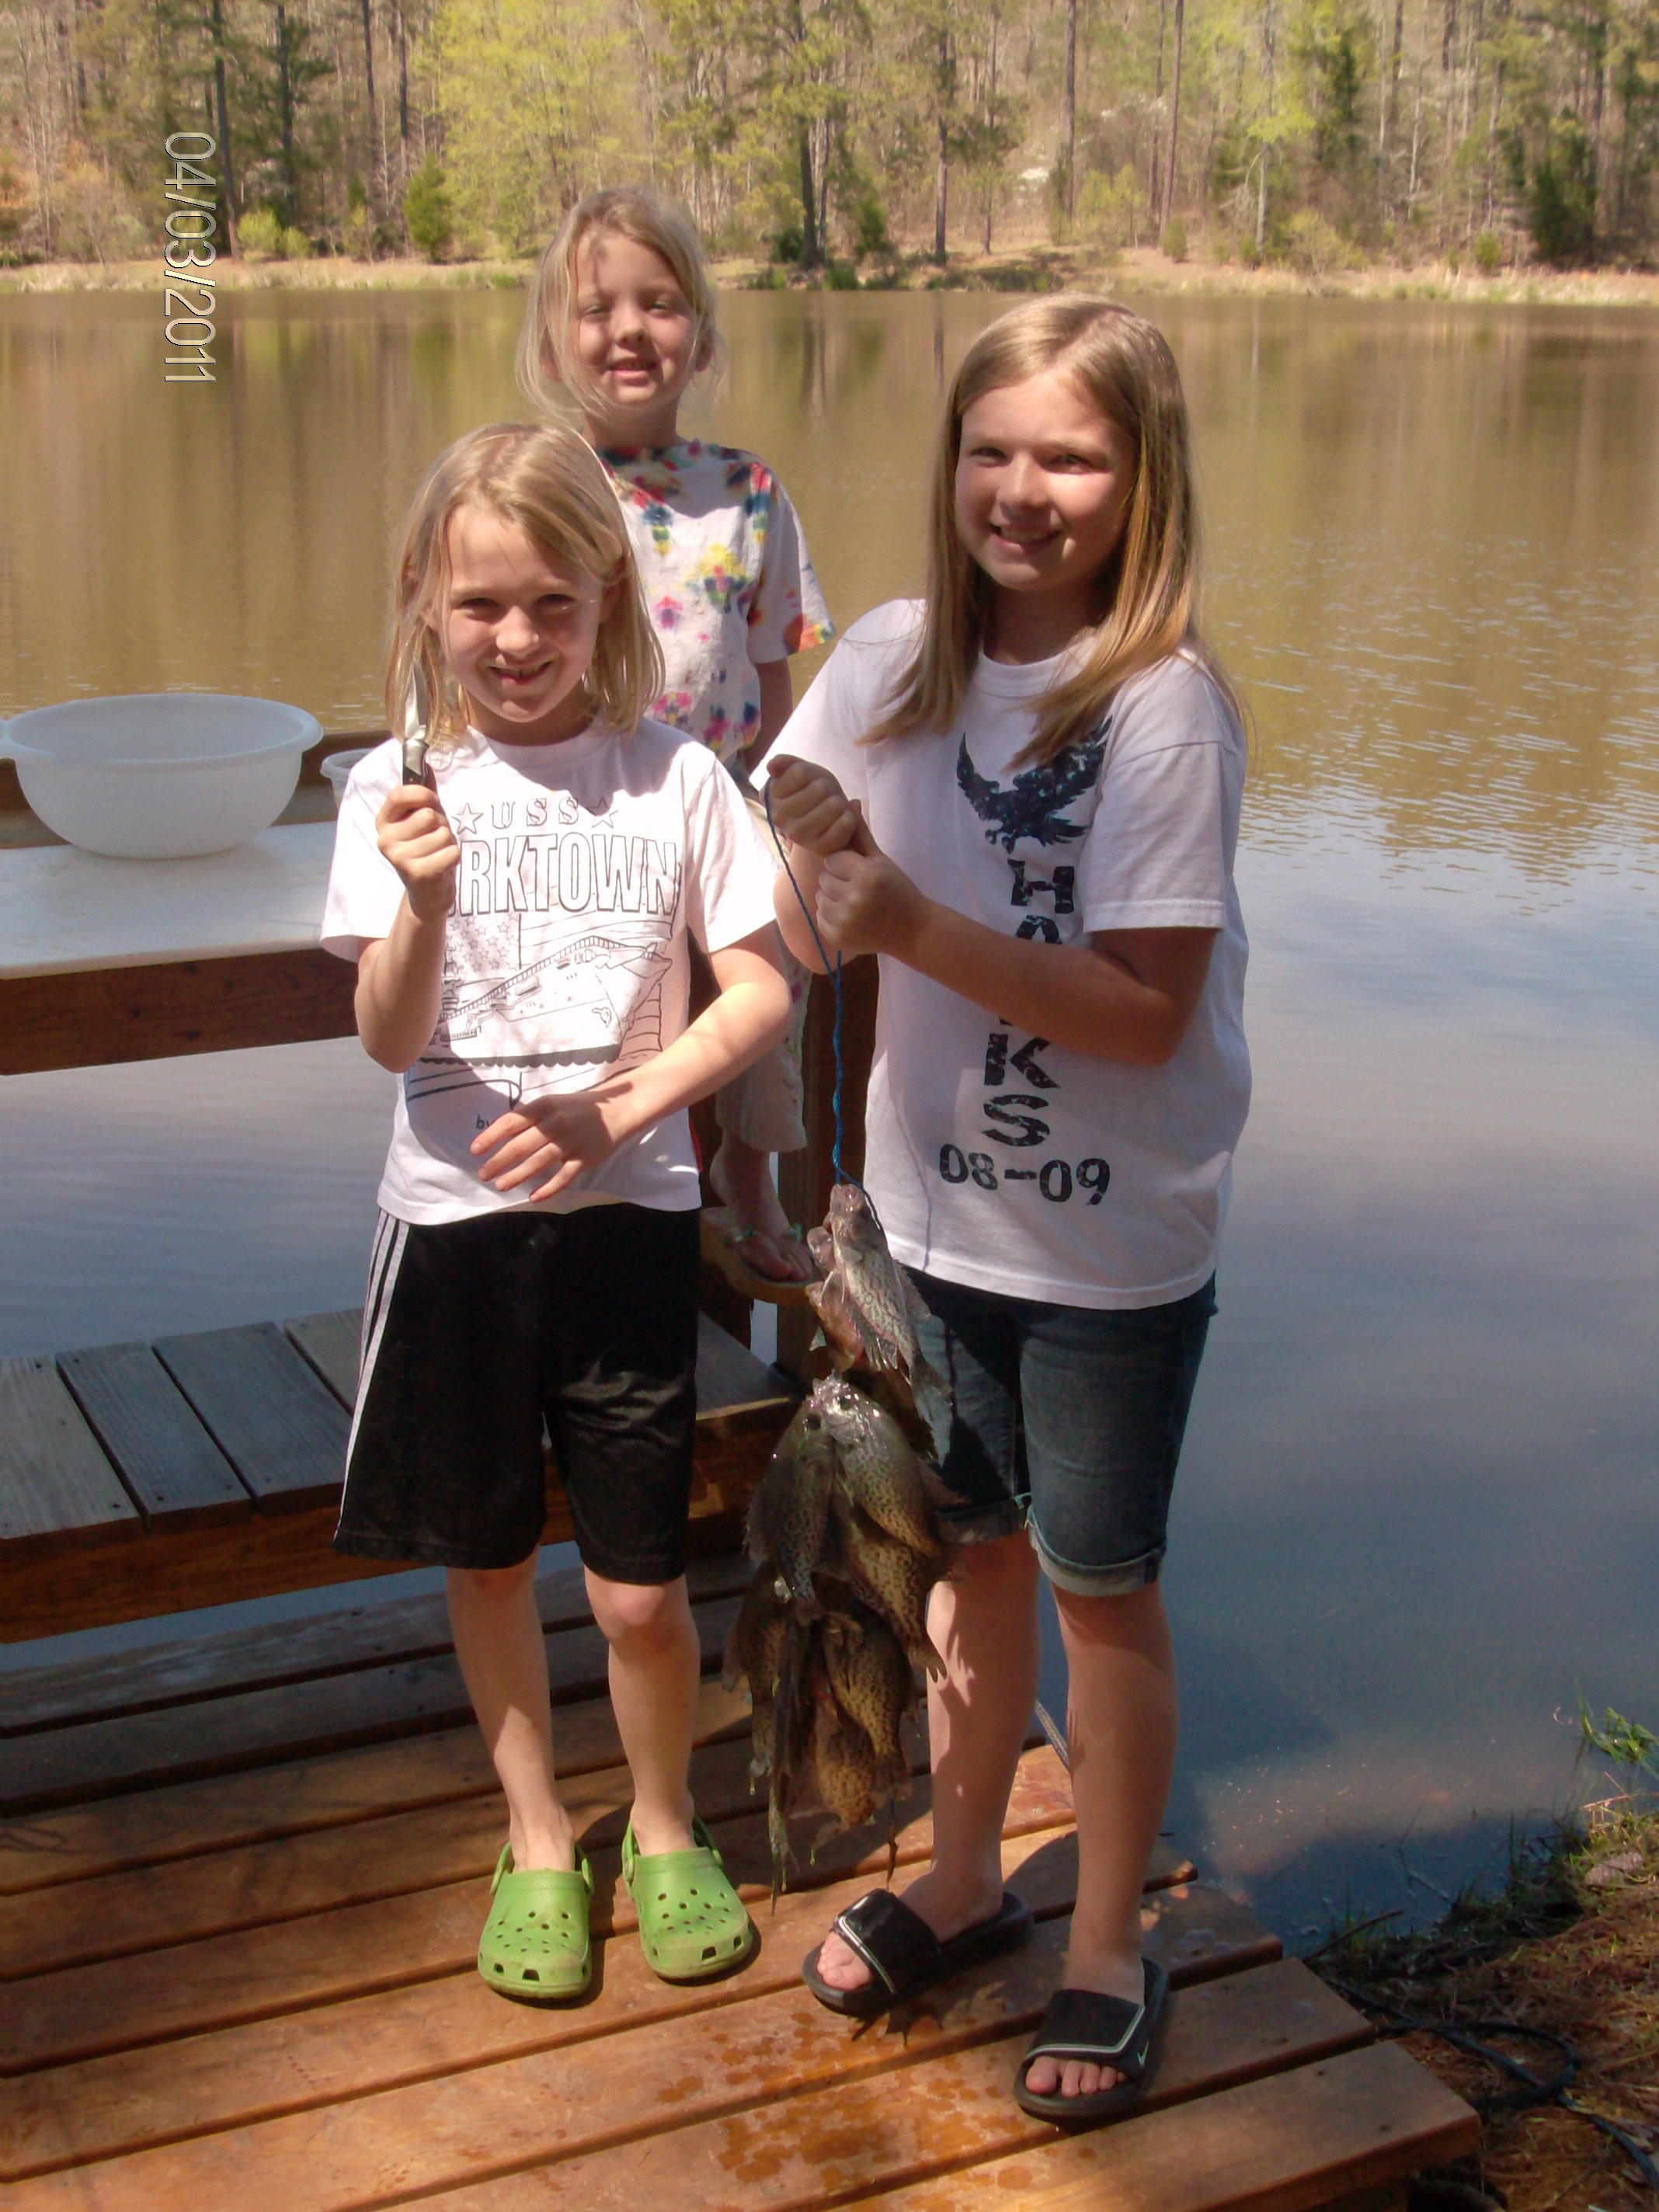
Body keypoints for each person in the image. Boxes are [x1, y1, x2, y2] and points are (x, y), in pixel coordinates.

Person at [763, 295, 1250, 2120]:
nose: (1022, 488)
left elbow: (1142, 1009)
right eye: (991, 448)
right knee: (963, 1554)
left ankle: (1109, 1942)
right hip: (924, 1225)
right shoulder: (891, 658)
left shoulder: (1161, 707)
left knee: (1099, 1589)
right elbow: (783, 874)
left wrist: (902, 918)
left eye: (1072, 456)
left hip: (1109, 1249)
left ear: (1143, 480)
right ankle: (966, 1877)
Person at [321, 421, 791, 2003]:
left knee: (640, 1585)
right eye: (478, 605)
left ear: (609, 601)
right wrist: (422, 901)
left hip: (630, 1229)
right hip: (450, 1234)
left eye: (550, 603)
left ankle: (662, 1820)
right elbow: (387, 1035)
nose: (514, 639)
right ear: (423, 598)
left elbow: (761, 993)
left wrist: (621, 1109)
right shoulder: (395, 788)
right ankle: (534, 1835)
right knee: (483, 1558)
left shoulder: (678, 777)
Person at [518, 185, 835, 1296]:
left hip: (728, 798)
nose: (629, 330)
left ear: (700, 336)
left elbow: (775, 669)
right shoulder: (539, 488)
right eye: (597, 308)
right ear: (553, 345)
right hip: (586, 800)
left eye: (659, 304)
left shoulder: (748, 492)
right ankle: (596, 1172)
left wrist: (791, 815)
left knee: (776, 962)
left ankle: (750, 1174)